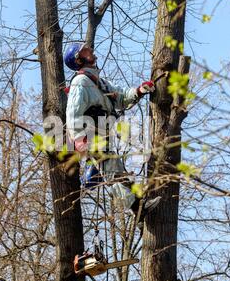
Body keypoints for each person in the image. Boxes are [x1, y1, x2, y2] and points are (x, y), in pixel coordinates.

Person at [64, 42, 161, 224]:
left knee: (117, 171)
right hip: (90, 133)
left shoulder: (98, 82)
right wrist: (79, 139)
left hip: (102, 133)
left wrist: (139, 91)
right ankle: (138, 209)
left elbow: (121, 96)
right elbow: (72, 113)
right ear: (78, 59)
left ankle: (138, 206)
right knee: (113, 174)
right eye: (85, 50)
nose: (90, 51)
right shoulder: (80, 82)